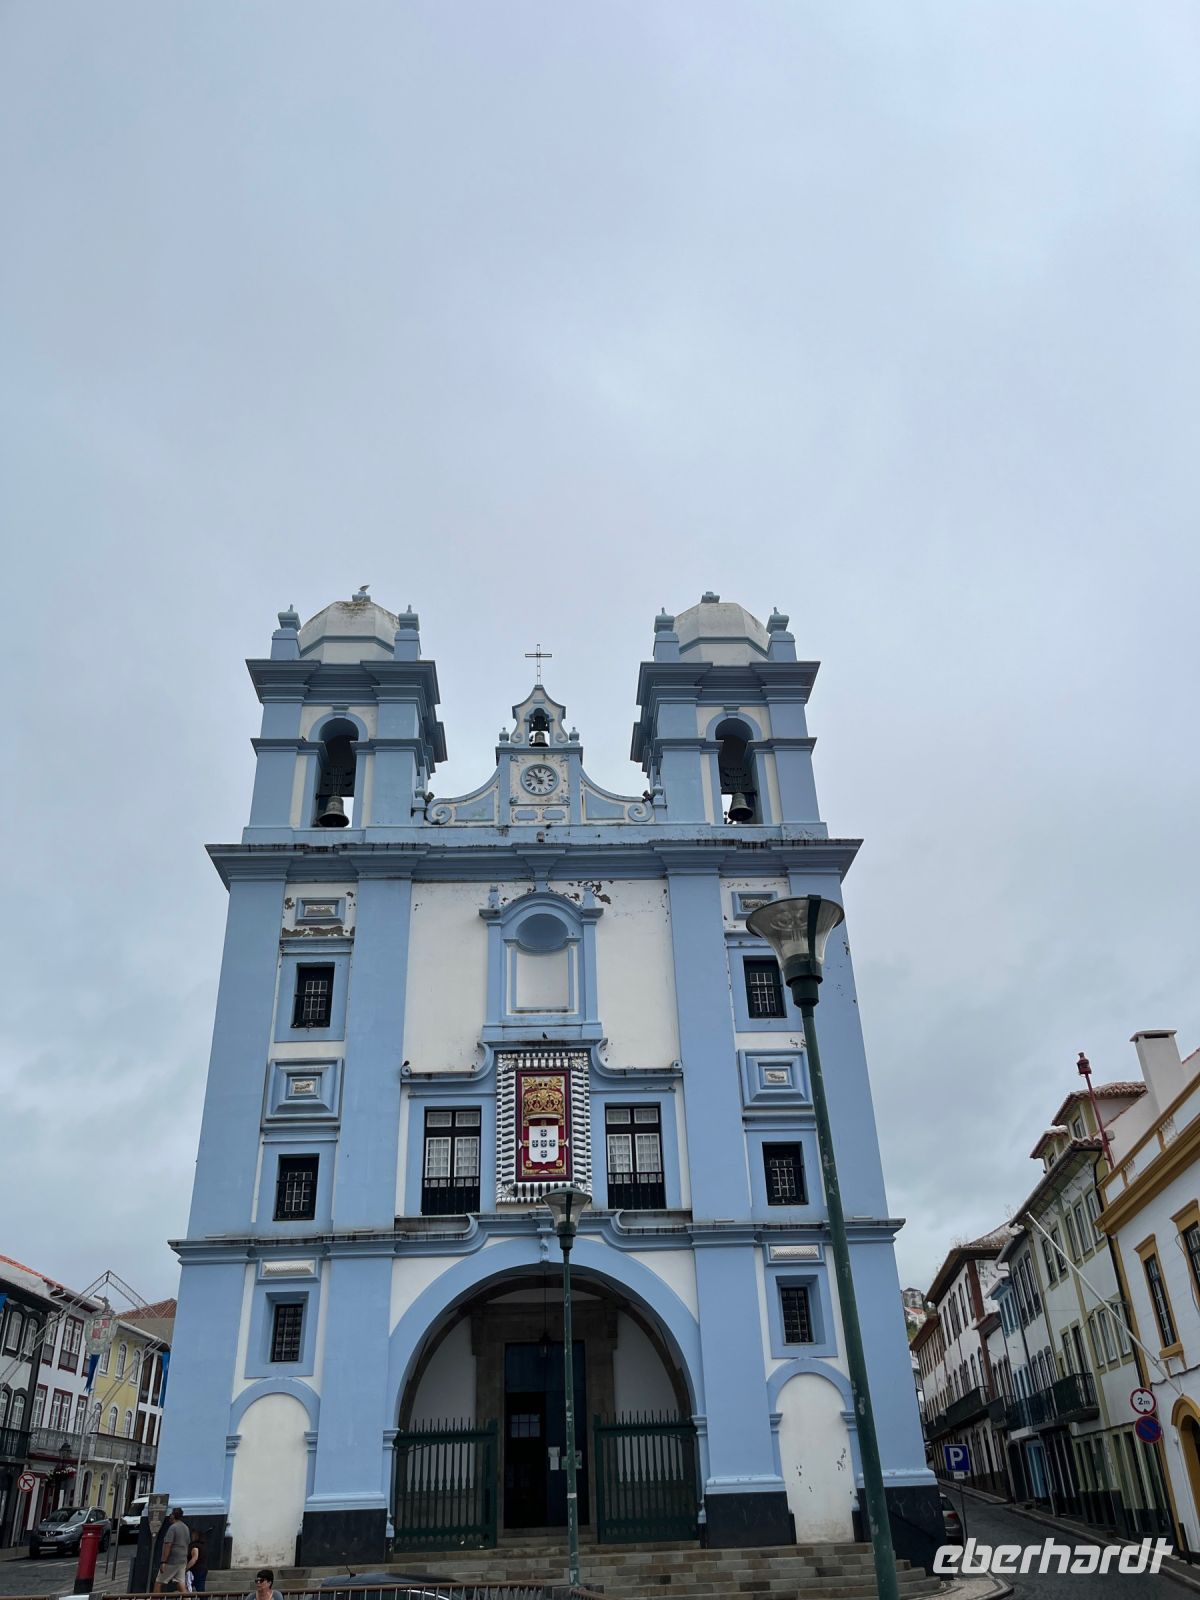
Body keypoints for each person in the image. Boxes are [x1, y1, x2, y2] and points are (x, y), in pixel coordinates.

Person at [155, 1507, 190, 1595]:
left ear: (173, 1516)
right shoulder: (186, 1527)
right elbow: (187, 1543)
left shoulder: (173, 1528)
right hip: (182, 1560)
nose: (170, 1516)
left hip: (172, 1560)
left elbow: (168, 1545)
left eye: (171, 1514)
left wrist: (163, 1561)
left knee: (158, 1582)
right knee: (180, 1584)